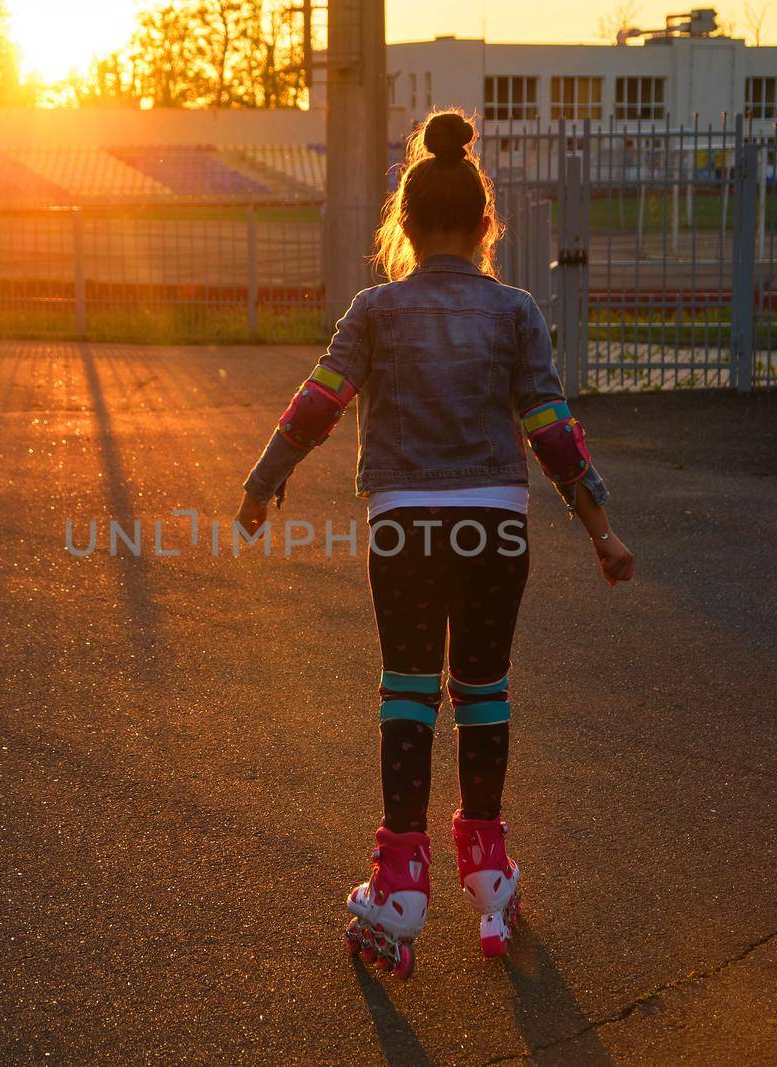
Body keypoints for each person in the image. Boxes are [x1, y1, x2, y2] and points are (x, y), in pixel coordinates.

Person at [235, 109, 635, 979]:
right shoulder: (516, 312)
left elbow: (319, 402)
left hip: (407, 524)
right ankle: (490, 881)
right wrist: (600, 528)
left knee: (409, 694)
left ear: (404, 225)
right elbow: (552, 429)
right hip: (495, 522)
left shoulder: (375, 310)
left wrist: (264, 481)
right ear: (488, 223)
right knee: (484, 693)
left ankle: (400, 889)